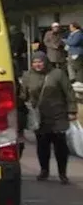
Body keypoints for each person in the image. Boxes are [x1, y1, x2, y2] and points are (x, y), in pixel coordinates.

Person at [21, 51, 76, 184]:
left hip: (58, 115)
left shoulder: (57, 74)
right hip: (40, 117)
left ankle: (62, 173)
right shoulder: (28, 76)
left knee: (60, 146)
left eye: (40, 62)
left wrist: (72, 110)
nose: (38, 65)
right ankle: (44, 170)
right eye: (35, 62)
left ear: (45, 61)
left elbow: (69, 92)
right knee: (42, 145)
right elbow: (23, 94)